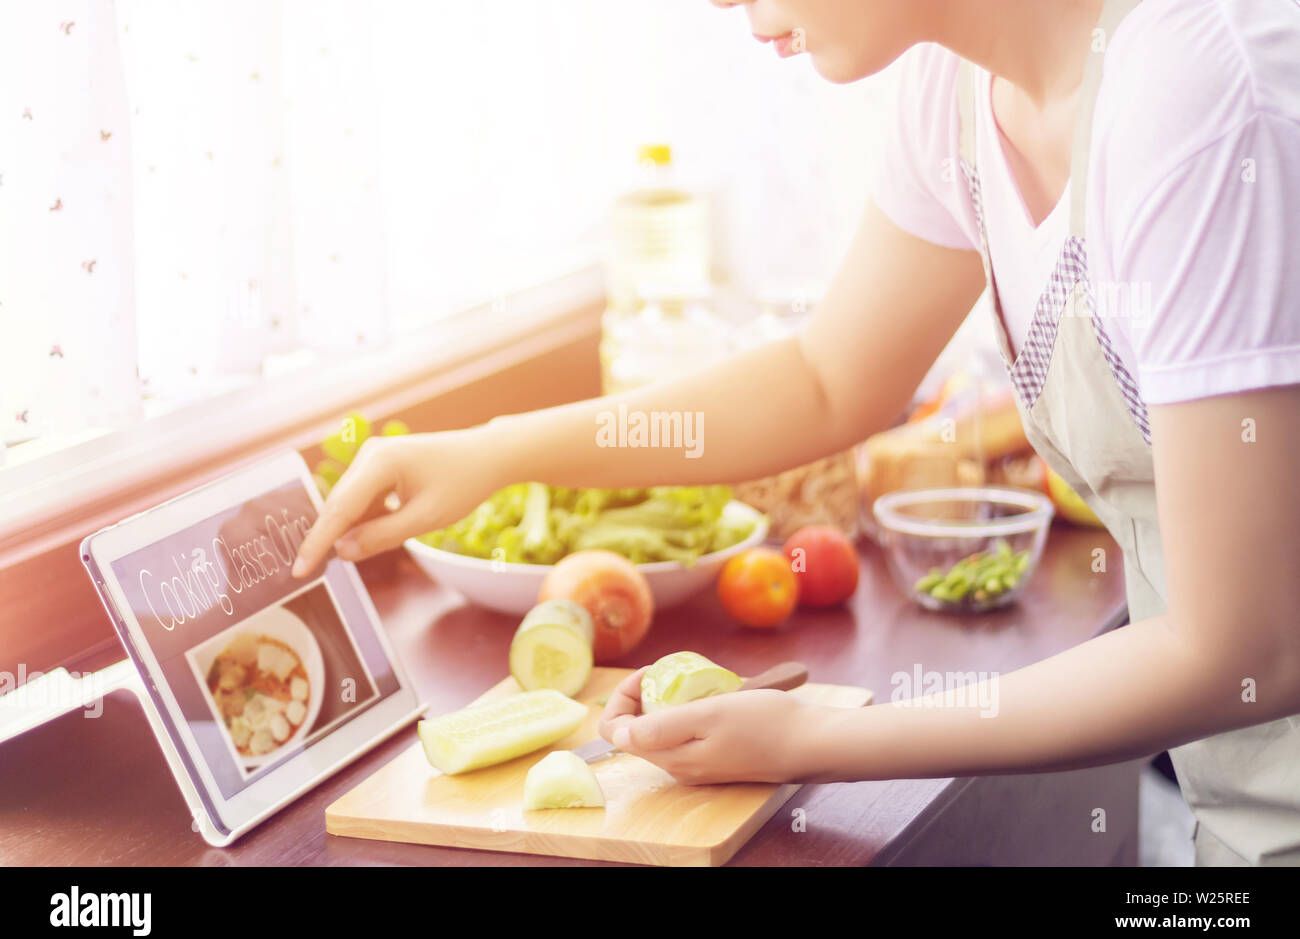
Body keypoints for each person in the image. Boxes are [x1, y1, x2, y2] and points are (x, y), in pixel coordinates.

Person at [293, 0, 1300, 865]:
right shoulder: (954, 91)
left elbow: (1239, 645)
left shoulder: (1190, 90)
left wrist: (813, 734)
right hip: (1242, 793)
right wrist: (493, 450)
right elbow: (829, 379)